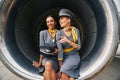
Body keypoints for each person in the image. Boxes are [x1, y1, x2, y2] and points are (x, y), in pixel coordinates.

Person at [56, 9, 81, 80]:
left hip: (73, 56)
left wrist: (68, 41)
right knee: (70, 77)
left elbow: (78, 47)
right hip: (63, 57)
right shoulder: (59, 33)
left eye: (62, 18)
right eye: (59, 19)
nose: (60, 21)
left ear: (69, 20)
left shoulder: (76, 31)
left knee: (64, 71)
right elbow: (60, 51)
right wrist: (60, 66)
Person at [32, 15, 59, 80]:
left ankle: (41, 69)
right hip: (46, 58)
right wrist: (40, 63)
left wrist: (58, 50)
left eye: (51, 21)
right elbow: (42, 49)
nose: (49, 23)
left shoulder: (60, 33)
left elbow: (62, 48)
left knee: (47, 70)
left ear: (55, 22)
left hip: (56, 58)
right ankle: (41, 68)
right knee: (48, 64)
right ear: (46, 24)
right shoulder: (42, 33)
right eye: (48, 22)